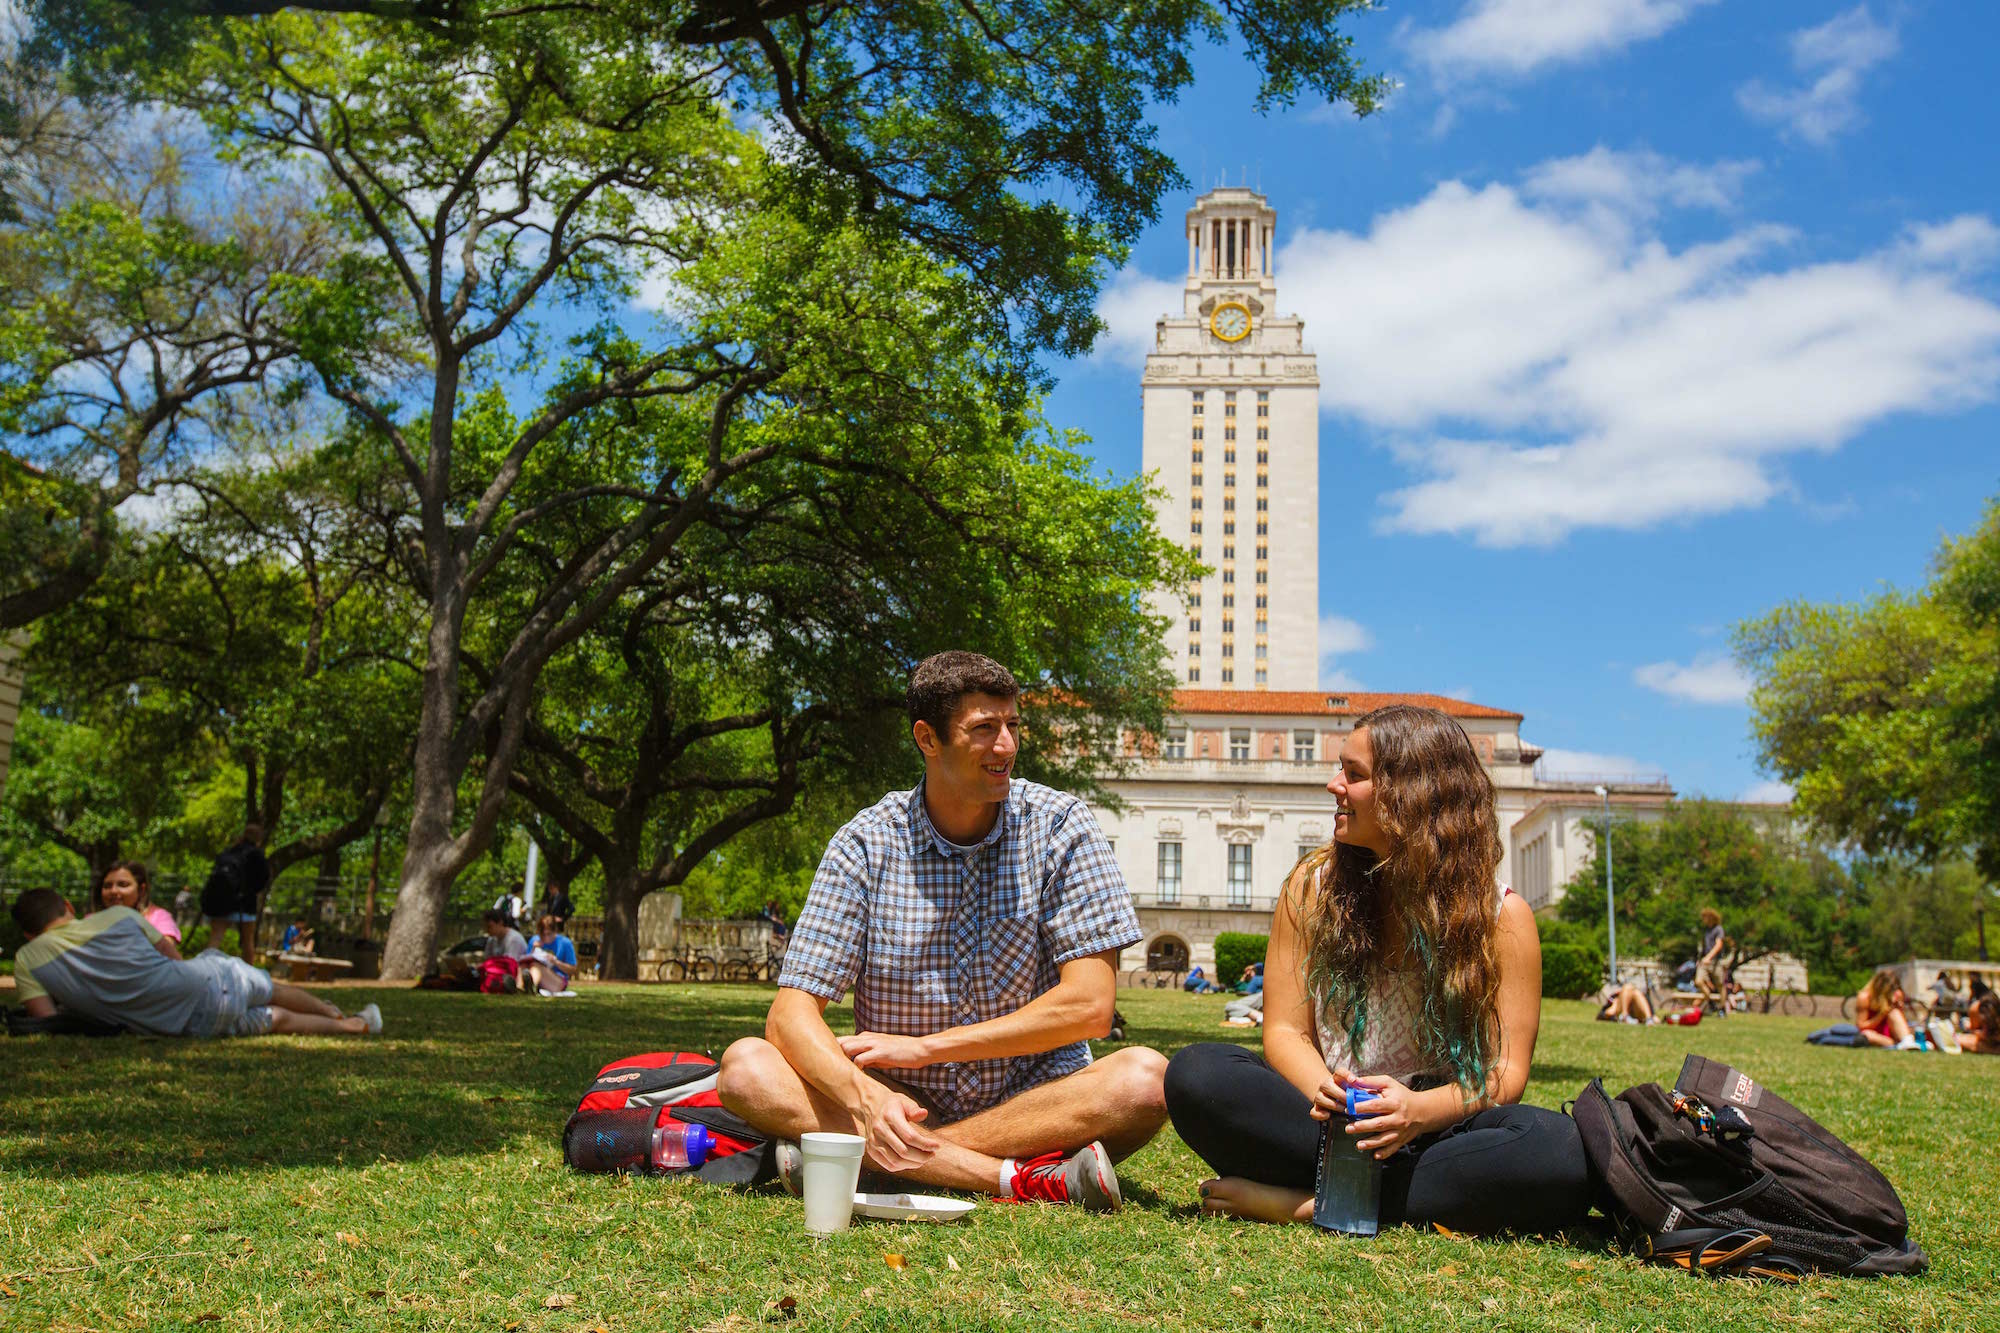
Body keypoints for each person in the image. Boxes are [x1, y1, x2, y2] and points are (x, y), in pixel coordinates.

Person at [715, 651, 1168, 1212]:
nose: (1006, 746)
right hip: (900, 1099)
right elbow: (789, 1015)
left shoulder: (1061, 827)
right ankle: (1017, 1179)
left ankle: (874, 1164)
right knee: (745, 1069)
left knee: (1146, 1079)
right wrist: (867, 1097)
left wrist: (925, 1048)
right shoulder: (866, 844)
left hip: (1036, 1100)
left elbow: (1090, 1007)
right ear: (927, 739)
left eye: (1013, 726)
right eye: (984, 729)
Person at [1162, 703, 1592, 1235]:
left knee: (1557, 1148)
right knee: (1196, 1074)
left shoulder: (1502, 918)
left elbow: (1504, 1075)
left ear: (1412, 796)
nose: (1331, 784)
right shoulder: (1310, 888)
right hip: (1327, 1122)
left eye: (1354, 774)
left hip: (1438, 1130)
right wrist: (1327, 1090)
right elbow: (1284, 1032)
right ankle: (1389, 1196)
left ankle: (1308, 1204)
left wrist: (1415, 1112)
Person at [9, 889, 379, 1038]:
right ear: (69, 908)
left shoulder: (27, 959)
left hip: (184, 1026)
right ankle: (339, 1016)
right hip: (203, 983)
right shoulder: (119, 915)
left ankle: (353, 1027)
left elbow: (46, 1019)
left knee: (273, 1019)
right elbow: (173, 959)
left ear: (28, 934)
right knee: (270, 989)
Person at [201, 823, 271, 966]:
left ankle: (203, 970)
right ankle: (249, 976)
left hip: (221, 903)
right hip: (245, 904)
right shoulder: (256, 854)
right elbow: (264, 879)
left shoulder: (228, 852)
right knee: (247, 941)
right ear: (259, 838)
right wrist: (250, 891)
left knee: (215, 937)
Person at [92, 861, 180, 948]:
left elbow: (166, 949)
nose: (113, 891)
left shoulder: (159, 918)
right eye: (107, 886)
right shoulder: (92, 921)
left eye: (123, 885)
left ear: (141, 890)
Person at [1853, 969, 1920, 1049]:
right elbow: (1861, 1026)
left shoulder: (1897, 995)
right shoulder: (1864, 998)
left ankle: (1906, 1042)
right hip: (1874, 1033)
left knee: (1894, 1012)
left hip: (1894, 1032)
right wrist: (1882, 1014)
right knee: (1866, 1034)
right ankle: (1900, 1045)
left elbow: (1901, 1022)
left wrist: (1899, 1008)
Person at [522, 911, 580, 995]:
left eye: (548, 934)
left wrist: (556, 962)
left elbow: (573, 969)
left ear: (555, 931)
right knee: (525, 966)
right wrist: (534, 949)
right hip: (537, 974)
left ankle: (530, 987)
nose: (546, 938)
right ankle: (520, 988)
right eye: (542, 935)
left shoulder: (565, 943)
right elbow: (527, 961)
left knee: (536, 966)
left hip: (557, 980)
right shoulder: (534, 940)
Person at [1694, 908, 1727, 1017]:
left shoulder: (1719, 929)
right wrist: (1700, 959)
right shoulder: (1706, 931)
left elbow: (1719, 945)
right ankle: (1711, 1002)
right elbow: (1703, 947)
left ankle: (1722, 1009)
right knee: (1698, 981)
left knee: (1720, 985)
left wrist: (1709, 957)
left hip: (1715, 961)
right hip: (1704, 961)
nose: (1703, 920)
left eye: (1705, 917)